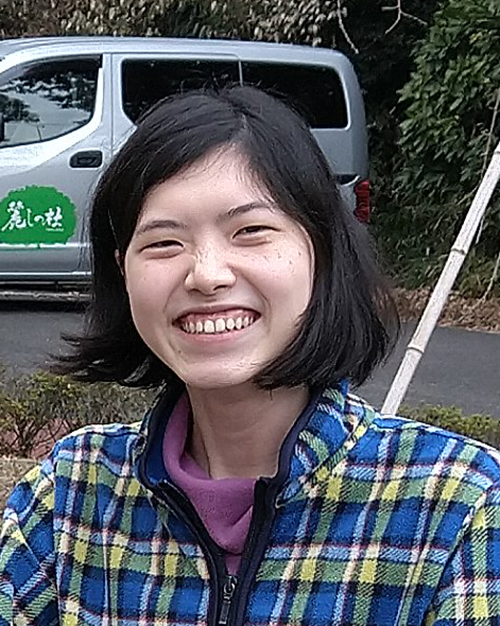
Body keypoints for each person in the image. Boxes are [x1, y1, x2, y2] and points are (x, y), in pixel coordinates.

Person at [1, 86, 499, 626]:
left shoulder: (457, 507)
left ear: (321, 250)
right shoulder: (70, 495)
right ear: (124, 271)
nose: (206, 275)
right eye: (164, 243)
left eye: (250, 231)